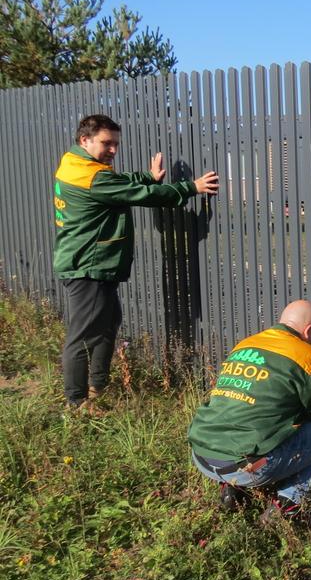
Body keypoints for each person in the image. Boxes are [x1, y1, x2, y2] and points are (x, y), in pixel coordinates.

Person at [53, 114, 219, 412]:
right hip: (88, 266)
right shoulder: (93, 177)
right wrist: (190, 188)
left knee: (108, 324)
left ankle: (97, 387)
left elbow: (119, 182)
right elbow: (141, 194)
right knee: (83, 336)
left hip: (88, 263)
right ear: (85, 140)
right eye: (107, 143)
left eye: (116, 144)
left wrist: (146, 176)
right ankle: (76, 402)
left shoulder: (75, 164)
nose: (113, 150)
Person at [188, 299, 311, 519]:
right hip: (246, 467)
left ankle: (232, 490)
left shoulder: (246, 345)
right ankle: (287, 503)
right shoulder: (306, 356)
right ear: (308, 330)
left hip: (202, 455)